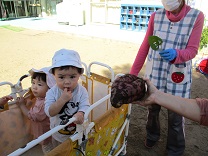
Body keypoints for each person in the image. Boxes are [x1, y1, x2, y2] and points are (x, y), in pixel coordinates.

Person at [130, 0, 204, 155]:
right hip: (154, 73)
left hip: (178, 77)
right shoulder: (156, 16)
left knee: (176, 116)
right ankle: (152, 135)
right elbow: (145, 46)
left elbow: (192, 50)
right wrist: (132, 74)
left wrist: (177, 54)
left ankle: (175, 148)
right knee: (152, 109)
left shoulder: (196, 16)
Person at [44, 49, 90, 148]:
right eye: (61, 77)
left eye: (72, 76)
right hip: (58, 134)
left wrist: (81, 112)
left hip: (78, 132)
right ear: (54, 75)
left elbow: (85, 105)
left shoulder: (82, 91)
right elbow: (49, 112)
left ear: (79, 75)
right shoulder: (52, 92)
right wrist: (62, 100)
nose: (67, 82)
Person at [133, 78, 208, 126]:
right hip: (157, 80)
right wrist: (157, 95)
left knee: (175, 120)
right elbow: (204, 109)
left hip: (178, 82)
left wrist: (177, 56)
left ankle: (175, 148)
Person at [16, 67, 55, 154]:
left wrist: (22, 105)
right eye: (33, 83)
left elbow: (32, 116)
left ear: (50, 88)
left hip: (45, 135)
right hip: (49, 132)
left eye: (39, 84)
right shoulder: (43, 98)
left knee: (49, 150)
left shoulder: (43, 103)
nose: (34, 87)